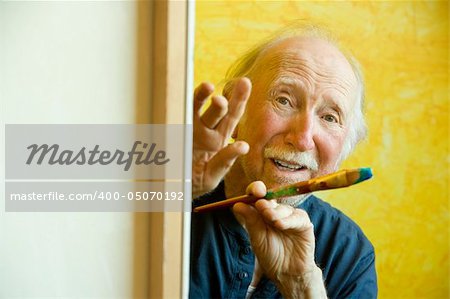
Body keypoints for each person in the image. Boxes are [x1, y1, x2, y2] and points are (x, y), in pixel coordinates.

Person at [190, 26, 377, 299]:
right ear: (235, 110)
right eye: (284, 100)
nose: (302, 139)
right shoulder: (171, 193)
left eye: (329, 117)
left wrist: (302, 286)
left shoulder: (350, 253)